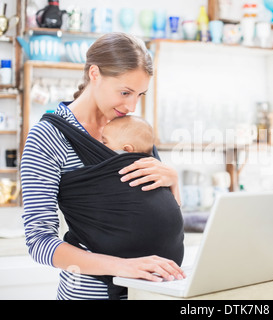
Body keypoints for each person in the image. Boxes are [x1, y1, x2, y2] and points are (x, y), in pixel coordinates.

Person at [20, 32, 185, 300]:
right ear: (94, 74)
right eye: (125, 92)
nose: (132, 105)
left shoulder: (132, 130)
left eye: (140, 94)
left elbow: (154, 213)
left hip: (152, 291)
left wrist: (174, 182)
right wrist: (123, 266)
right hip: (89, 294)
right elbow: (39, 242)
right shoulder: (48, 137)